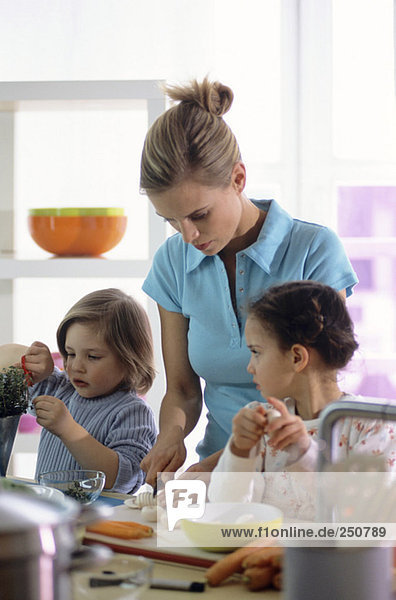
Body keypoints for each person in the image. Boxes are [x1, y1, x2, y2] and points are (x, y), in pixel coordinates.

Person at [139, 77, 358, 486]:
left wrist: (239, 454)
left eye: (199, 214)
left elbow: (320, 388)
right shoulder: (173, 261)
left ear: (238, 179)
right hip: (218, 476)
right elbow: (183, 391)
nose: (187, 235)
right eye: (170, 219)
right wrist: (170, 437)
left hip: (304, 471)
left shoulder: (314, 250)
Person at [208, 281, 396, 519]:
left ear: (297, 357)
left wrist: (304, 452)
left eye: (256, 352)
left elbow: (364, 518)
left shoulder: (374, 425)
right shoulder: (262, 423)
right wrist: (240, 452)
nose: (250, 367)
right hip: (266, 555)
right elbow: (226, 512)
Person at [3, 288, 157, 494]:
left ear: (130, 360)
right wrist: (34, 363)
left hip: (101, 521)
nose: (76, 366)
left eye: (92, 356)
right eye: (70, 353)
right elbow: (5, 357)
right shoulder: (61, 388)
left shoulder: (133, 413)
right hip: (52, 514)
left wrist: (69, 430)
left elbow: (123, 479)